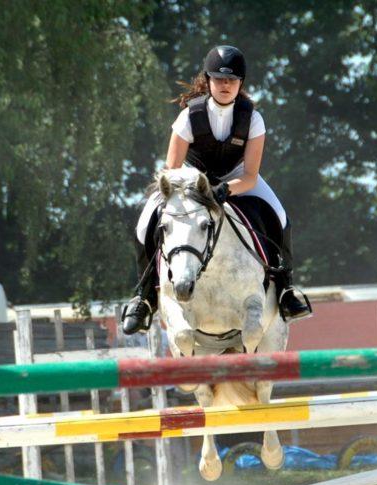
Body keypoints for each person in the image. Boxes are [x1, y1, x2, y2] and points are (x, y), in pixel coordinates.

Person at [120, 45, 313, 335]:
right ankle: (144, 297)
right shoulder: (189, 117)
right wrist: (186, 190)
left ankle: (286, 289)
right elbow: (171, 169)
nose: (225, 85)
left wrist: (223, 191)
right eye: (219, 79)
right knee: (146, 220)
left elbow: (250, 176)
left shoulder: (253, 119)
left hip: (235, 177)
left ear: (240, 83)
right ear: (208, 80)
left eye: (232, 80)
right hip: (191, 178)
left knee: (281, 216)